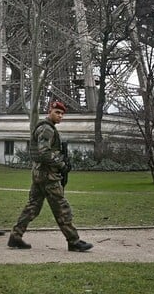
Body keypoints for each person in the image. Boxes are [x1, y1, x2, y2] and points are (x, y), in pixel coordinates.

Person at [7, 101, 93, 252]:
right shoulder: (47, 129)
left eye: (62, 114)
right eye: (57, 112)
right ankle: (74, 241)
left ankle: (16, 236)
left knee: (32, 207)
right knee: (61, 207)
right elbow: (44, 152)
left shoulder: (44, 128)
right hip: (48, 176)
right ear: (50, 111)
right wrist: (61, 165)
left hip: (39, 174)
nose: (60, 116)